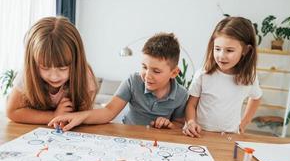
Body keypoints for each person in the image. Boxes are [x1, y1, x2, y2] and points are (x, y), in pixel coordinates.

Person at [48, 32, 188, 131]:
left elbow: (179, 124)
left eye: (156, 71)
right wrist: (80, 116)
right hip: (128, 136)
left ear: (174, 72)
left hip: (158, 142)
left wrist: (169, 125)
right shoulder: (133, 81)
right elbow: (108, 111)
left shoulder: (181, 94)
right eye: (144, 67)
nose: (147, 75)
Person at [6, 16, 98, 124]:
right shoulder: (27, 75)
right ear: (33, 63)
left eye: (63, 68)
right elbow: (12, 112)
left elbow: (83, 116)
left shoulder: (85, 75)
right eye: (44, 67)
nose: (54, 76)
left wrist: (68, 117)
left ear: (76, 62)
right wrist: (53, 116)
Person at [184, 16, 262, 137]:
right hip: (199, 134)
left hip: (228, 136)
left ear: (246, 50)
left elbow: (256, 98)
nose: (221, 56)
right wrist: (191, 122)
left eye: (229, 50)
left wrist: (244, 122)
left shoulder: (249, 77)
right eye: (217, 49)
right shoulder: (204, 74)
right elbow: (191, 104)